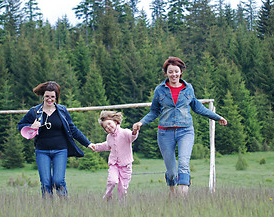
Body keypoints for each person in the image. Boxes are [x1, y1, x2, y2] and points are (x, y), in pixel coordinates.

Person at [132, 56, 227, 196]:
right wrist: (141, 122)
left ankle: (183, 200)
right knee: (171, 171)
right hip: (165, 133)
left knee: (183, 164)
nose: (174, 74)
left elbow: (197, 107)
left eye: (176, 71)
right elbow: (154, 111)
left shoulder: (188, 88)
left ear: (181, 72)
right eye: (170, 72)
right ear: (166, 73)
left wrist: (217, 117)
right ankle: (172, 193)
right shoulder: (160, 90)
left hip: (185, 131)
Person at [18, 81, 95, 198]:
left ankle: (64, 206)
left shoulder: (62, 111)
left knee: (58, 181)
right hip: (42, 151)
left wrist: (87, 143)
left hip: (60, 150)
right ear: (43, 96)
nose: (49, 99)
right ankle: (48, 210)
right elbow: (20, 125)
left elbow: (73, 129)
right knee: (45, 183)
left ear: (56, 97)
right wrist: (31, 127)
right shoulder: (34, 111)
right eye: (47, 96)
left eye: (52, 97)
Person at [92, 111, 139, 201]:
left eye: (109, 124)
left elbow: (132, 137)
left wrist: (135, 131)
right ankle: (108, 195)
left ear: (115, 121)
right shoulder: (109, 137)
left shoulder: (125, 132)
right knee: (112, 181)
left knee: (123, 188)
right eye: (106, 127)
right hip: (114, 164)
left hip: (126, 166)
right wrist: (96, 146)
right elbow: (107, 145)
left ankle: (121, 205)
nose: (108, 127)